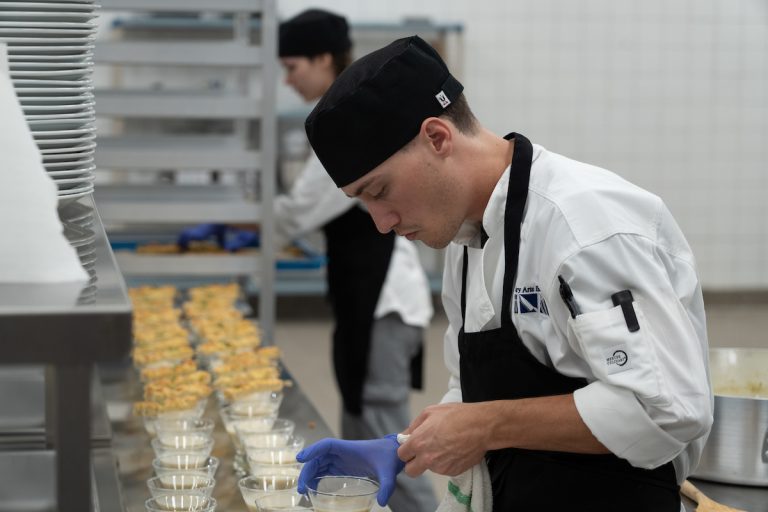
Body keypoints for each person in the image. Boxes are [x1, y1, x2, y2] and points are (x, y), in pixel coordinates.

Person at [293, 35, 714, 511]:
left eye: (380, 191)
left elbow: (668, 408)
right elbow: (473, 393)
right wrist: (407, 445)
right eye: (362, 202)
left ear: (437, 137)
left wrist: (488, 425)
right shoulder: (466, 240)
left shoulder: (585, 227)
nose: (382, 223)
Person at [179, 11, 438, 512]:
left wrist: (240, 226)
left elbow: (298, 211)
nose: (288, 79)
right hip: (367, 298)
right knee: (370, 433)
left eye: (293, 65)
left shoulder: (349, 124)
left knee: (391, 448)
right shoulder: (340, 118)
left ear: (324, 59)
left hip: (381, 304)